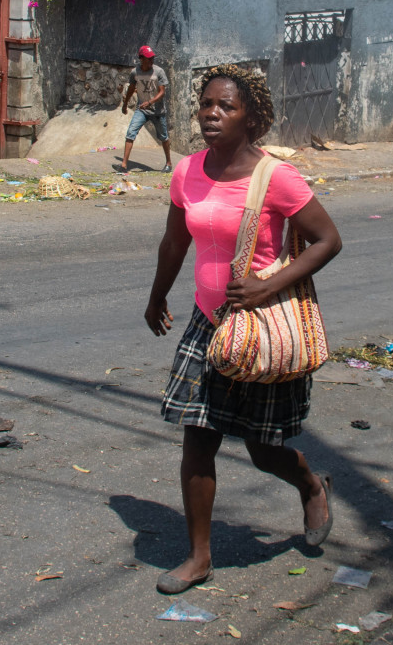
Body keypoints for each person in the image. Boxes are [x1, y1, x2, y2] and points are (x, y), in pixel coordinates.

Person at [144, 64, 343, 595]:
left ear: (250, 118)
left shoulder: (276, 177)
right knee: (198, 438)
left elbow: (328, 240)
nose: (212, 114)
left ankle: (310, 484)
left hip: (259, 326)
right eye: (206, 104)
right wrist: (157, 293)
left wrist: (266, 285)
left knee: (261, 447)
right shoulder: (186, 171)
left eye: (225, 106)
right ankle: (200, 558)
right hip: (205, 325)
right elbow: (174, 243)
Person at [118, 45, 172, 174]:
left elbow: (162, 92)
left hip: (158, 111)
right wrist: (125, 104)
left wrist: (150, 102)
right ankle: (124, 165)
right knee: (131, 133)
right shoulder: (135, 72)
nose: (151, 61)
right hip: (142, 110)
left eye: (152, 58)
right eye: (148, 58)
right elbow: (131, 89)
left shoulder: (158, 72)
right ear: (141, 59)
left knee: (163, 137)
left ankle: (169, 163)